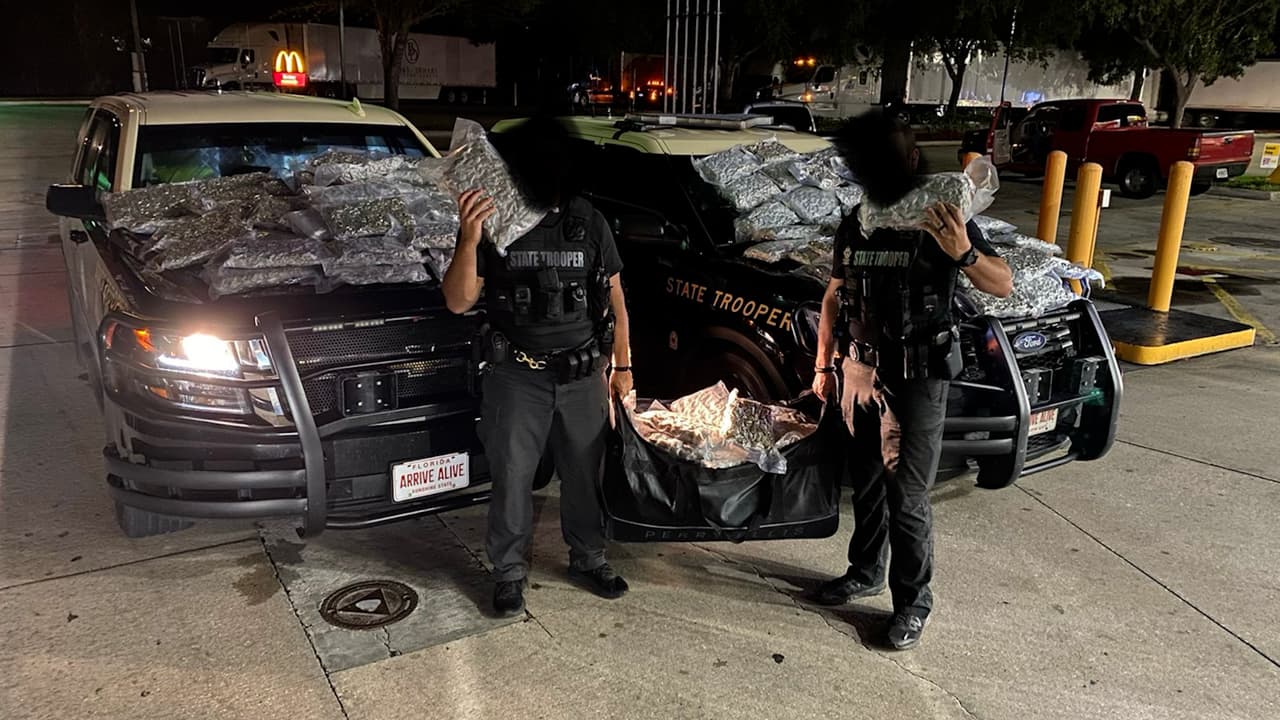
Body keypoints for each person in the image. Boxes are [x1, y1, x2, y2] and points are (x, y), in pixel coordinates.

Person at [809, 110, 1013, 650]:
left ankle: (912, 605)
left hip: (918, 376)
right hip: (860, 371)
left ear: (912, 160)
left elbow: (1003, 284)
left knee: (907, 495)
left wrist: (963, 253)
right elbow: (833, 296)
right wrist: (824, 363)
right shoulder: (858, 221)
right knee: (867, 484)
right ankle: (864, 572)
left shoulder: (942, 215)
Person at [441, 116, 634, 618]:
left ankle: (589, 558)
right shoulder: (495, 219)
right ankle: (508, 574)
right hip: (516, 377)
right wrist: (468, 239)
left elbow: (615, 296)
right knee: (512, 478)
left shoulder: (587, 220)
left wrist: (623, 367)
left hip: (581, 376)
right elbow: (459, 301)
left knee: (585, 475)